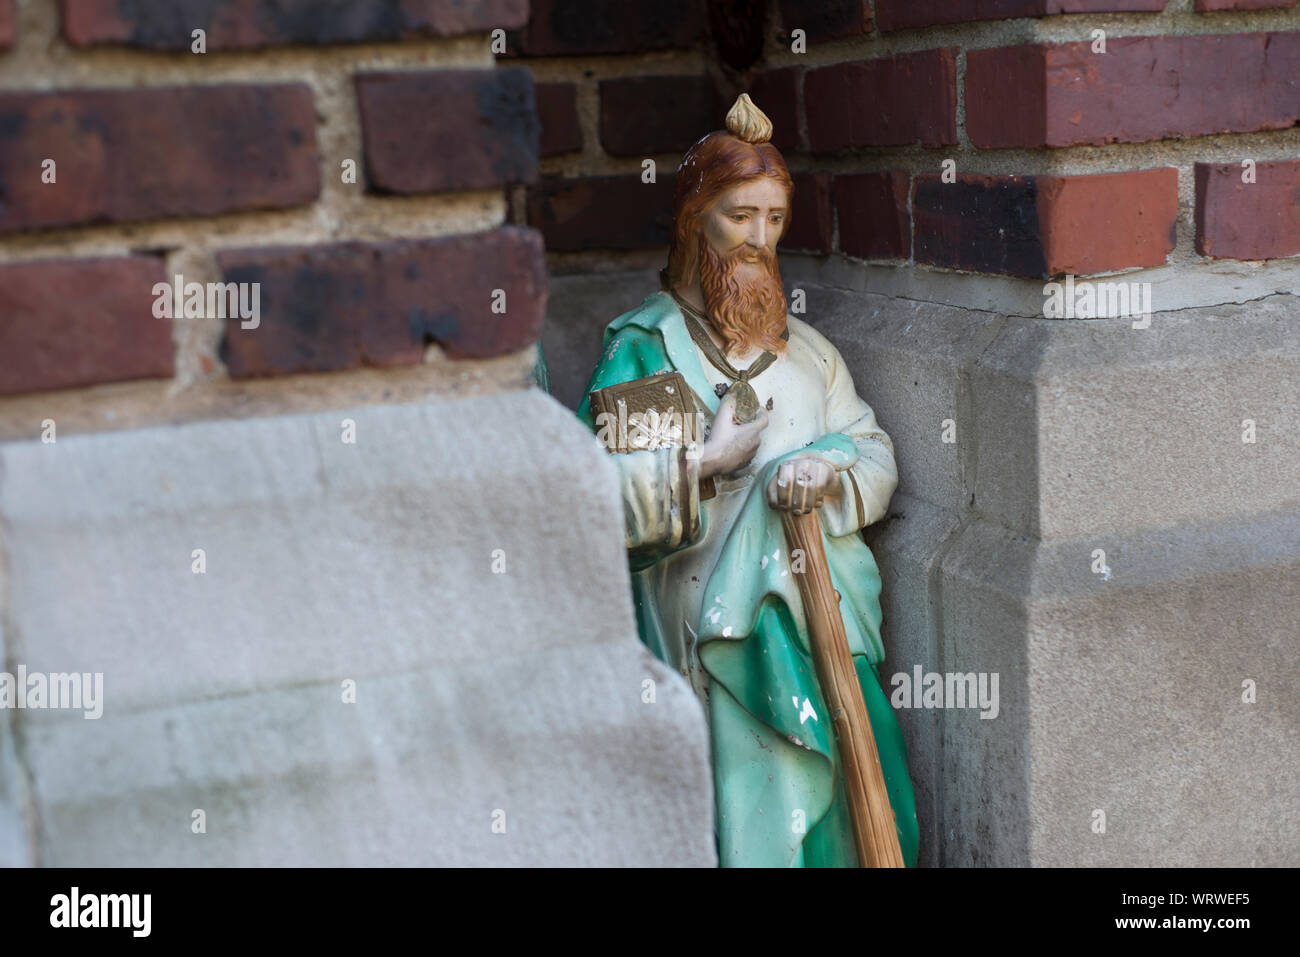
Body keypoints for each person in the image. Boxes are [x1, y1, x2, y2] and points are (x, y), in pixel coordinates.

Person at [577, 95, 918, 867]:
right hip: (706, 650)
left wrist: (826, 466)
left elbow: (874, 452)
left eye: (774, 217)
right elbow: (596, 501)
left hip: (824, 634)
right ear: (695, 218)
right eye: (739, 216)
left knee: (866, 807)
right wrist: (704, 464)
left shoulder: (810, 355)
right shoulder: (651, 351)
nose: (759, 240)